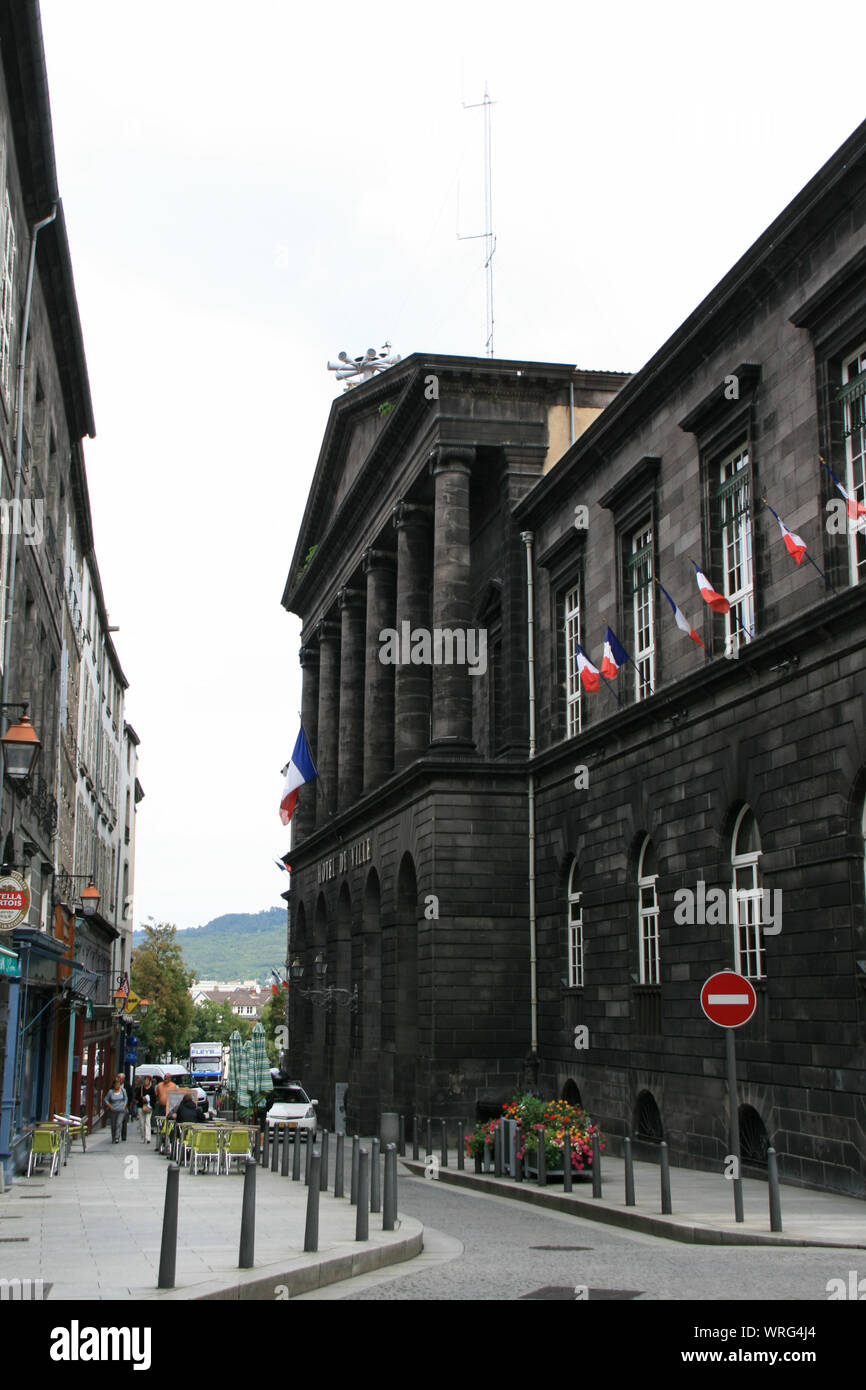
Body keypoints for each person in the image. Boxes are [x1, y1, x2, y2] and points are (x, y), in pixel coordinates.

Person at [104, 1075, 129, 1143]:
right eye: (116, 1084)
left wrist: (124, 1105)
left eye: (119, 1084)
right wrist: (110, 1106)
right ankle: (113, 1136)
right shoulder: (110, 1092)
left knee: (118, 1123)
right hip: (113, 1110)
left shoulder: (123, 1091)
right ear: (114, 1085)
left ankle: (117, 1137)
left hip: (121, 1110)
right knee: (113, 1124)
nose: (118, 1085)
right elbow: (106, 1099)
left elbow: (126, 1098)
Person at [134, 1075, 155, 1143]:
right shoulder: (141, 1088)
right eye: (145, 1080)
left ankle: (148, 1137)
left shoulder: (151, 1089)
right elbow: (136, 1098)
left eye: (148, 1080)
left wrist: (149, 1101)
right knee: (142, 1123)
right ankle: (143, 1136)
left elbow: (154, 1099)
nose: (146, 1082)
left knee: (147, 1122)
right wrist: (141, 1099)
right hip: (141, 1106)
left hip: (148, 1107)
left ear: (149, 1081)